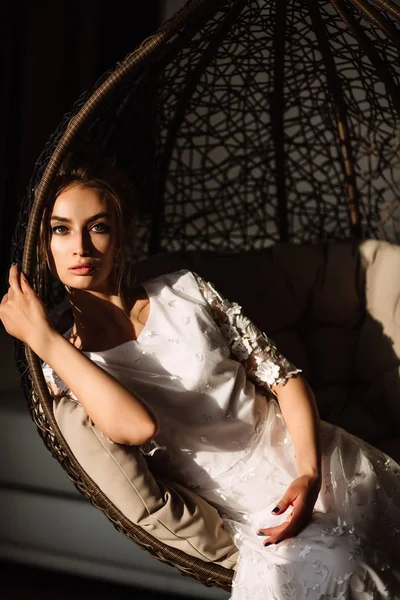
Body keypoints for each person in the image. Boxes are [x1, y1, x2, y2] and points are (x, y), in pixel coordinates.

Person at [1, 153, 400, 599]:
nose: (81, 247)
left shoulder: (184, 290)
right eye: (61, 229)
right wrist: (46, 340)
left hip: (319, 461)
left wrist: (308, 473)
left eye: (98, 226)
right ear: (44, 245)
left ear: (121, 237)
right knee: (346, 570)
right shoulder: (61, 368)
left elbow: (284, 379)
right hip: (252, 510)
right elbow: (138, 426)